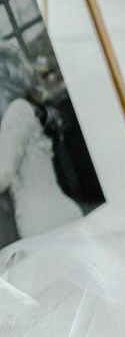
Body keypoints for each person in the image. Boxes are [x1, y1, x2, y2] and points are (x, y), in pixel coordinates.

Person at [0, 45, 84, 246]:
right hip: (45, 218)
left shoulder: (17, 112)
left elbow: (3, 173)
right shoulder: (18, 111)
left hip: (44, 222)